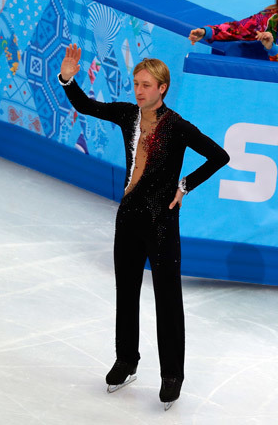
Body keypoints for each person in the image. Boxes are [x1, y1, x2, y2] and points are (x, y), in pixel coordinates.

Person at [57, 45, 230, 410]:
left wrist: (184, 186)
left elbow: (219, 156)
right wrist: (68, 79)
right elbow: (88, 106)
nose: (139, 90)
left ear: (162, 88)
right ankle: (126, 360)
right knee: (127, 291)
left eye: (147, 85)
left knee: (168, 300)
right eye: (136, 84)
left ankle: (172, 376)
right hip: (129, 217)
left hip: (162, 222)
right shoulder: (127, 115)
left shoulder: (178, 126)